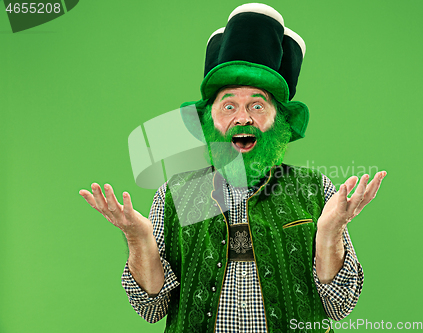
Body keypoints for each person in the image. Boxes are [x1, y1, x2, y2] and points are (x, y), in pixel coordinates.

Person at [80, 4, 386, 332]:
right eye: (228, 105)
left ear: (279, 122)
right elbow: (152, 307)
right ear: (209, 121)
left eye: (257, 105)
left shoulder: (315, 189)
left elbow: (339, 305)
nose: (243, 118)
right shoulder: (175, 194)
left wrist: (330, 232)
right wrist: (138, 238)